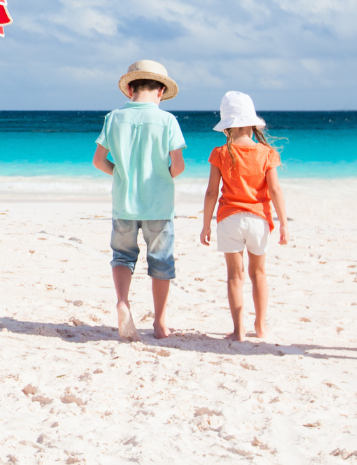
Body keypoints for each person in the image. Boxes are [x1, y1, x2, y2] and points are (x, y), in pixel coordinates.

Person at [93, 60, 187, 341]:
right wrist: (163, 176)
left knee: (122, 256)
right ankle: (160, 323)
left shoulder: (114, 118)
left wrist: (120, 174)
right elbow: (178, 165)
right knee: (161, 261)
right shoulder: (167, 120)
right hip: (159, 204)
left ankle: (123, 302)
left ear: (130, 89)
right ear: (160, 91)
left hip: (124, 203)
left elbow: (98, 161)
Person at [197, 91, 289, 342]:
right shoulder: (267, 153)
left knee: (234, 276)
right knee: (258, 273)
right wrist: (283, 223)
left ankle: (238, 330)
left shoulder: (220, 153)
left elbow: (211, 192)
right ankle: (260, 326)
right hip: (259, 220)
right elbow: (275, 190)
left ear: (227, 126)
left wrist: (206, 225)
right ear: (251, 124)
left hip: (229, 219)